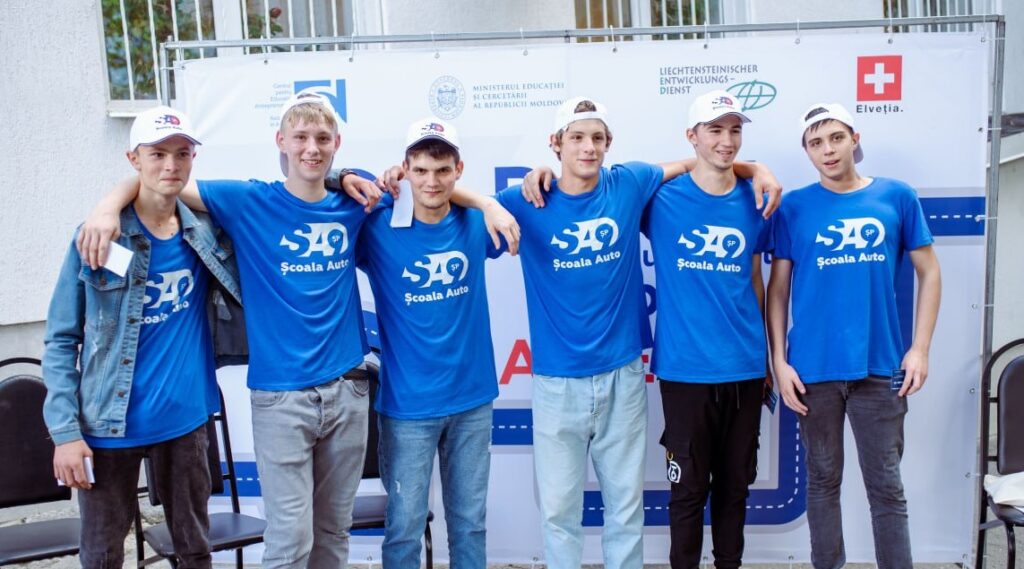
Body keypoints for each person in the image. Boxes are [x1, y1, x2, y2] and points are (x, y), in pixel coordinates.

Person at [77, 93, 517, 568]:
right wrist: (107, 206)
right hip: (282, 398)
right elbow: (165, 181)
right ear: (280, 141)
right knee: (290, 542)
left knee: (334, 534)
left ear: (336, 144)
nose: (311, 147)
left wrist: (484, 202)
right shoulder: (249, 201)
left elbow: (425, 187)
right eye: (301, 137)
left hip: (348, 390)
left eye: (322, 139)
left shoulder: (357, 205)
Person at [511, 96, 780, 569]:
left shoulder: (633, 184)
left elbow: (701, 165)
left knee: (636, 506)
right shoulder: (527, 199)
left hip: (633, 373)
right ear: (556, 143)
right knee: (561, 512)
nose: (588, 147)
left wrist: (755, 167)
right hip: (566, 380)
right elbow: (450, 199)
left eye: (597, 138)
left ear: (609, 143)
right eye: (577, 137)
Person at [42, 106, 242, 569]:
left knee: (195, 552)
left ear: (193, 159)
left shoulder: (206, 233)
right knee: (102, 555)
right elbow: (61, 339)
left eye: (181, 153)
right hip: (108, 428)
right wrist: (65, 433)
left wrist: (343, 176)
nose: (171, 165)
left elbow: (283, 200)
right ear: (134, 159)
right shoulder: (97, 238)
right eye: (157, 154)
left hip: (186, 423)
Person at [766, 103, 941, 569]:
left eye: (836, 138)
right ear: (806, 151)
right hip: (813, 370)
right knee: (823, 483)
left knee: (886, 488)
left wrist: (919, 349)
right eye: (816, 143)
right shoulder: (794, 207)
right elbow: (778, 290)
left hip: (879, 368)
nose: (827, 150)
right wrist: (779, 361)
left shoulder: (896, 196)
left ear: (854, 139)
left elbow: (929, 272)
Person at [355, 118, 505, 569]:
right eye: (420, 170)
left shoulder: (477, 221)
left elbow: (547, 191)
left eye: (442, 170)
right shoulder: (377, 226)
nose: (432, 181)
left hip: (472, 401)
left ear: (459, 170)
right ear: (404, 170)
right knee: (404, 528)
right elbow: (326, 186)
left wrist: (486, 202)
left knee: (469, 524)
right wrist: (382, 185)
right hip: (407, 409)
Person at [642, 90, 771, 569]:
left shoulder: (756, 199)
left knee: (735, 488)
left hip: (744, 369)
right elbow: (613, 183)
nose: (726, 140)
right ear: (692, 136)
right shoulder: (661, 199)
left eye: (735, 130)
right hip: (685, 372)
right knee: (688, 490)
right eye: (715, 130)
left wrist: (765, 357)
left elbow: (754, 278)